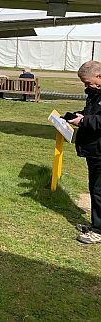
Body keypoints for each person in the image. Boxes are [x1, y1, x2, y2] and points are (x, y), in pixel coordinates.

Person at [66, 60, 101, 244]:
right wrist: (79, 116)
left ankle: (99, 231)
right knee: (94, 188)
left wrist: (84, 121)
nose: (87, 87)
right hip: (94, 150)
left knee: (99, 191)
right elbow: (92, 113)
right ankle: (96, 225)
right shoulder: (95, 93)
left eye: (88, 83)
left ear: (99, 76)